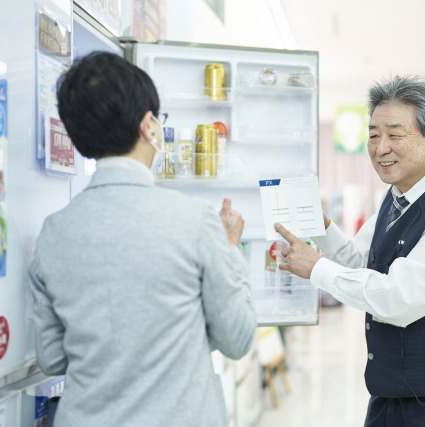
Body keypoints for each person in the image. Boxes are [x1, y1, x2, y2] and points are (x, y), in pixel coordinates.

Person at [28, 52, 256, 427]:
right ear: (149, 125)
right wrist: (229, 248)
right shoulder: (195, 222)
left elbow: (53, 358)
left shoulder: (54, 231)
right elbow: (235, 338)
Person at [274, 75, 425, 427]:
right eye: (373, 135)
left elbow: (397, 299)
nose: (380, 148)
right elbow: (361, 263)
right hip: (392, 400)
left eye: (395, 135)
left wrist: (317, 269)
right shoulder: (398, 196)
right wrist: (319, 229)